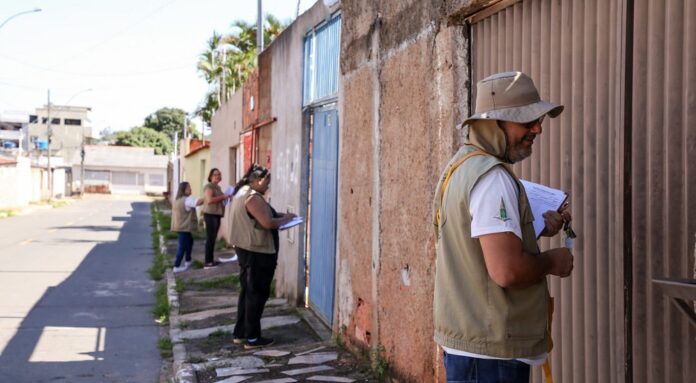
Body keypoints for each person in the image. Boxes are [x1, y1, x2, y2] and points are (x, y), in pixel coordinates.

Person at [432, 71, 574, 383]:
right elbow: (506, 271)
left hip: (471, 348)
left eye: (538, 120)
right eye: (526, 121)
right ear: (492, 124)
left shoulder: (459, 166)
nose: (537, 129)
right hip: (490, 358)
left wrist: (533, 228)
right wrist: (553, 261)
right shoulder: (492, 179)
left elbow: (477, 248)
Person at [229, 164, 295, 349]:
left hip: (246, 250)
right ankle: (252, 338)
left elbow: (260, 216)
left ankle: (241, 333)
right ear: (258, 180)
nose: (268, 186)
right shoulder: (252, 197)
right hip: (257, 252)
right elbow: (267, 222)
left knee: (247, 293)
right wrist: (287, 220)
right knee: (256, 295)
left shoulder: (241, 192)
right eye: (267, 182)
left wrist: (280, 215)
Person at [170, 182, 203, 273]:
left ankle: (188, 261)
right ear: (184, 190)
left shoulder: (177, 200)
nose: (191, 189)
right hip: (184, 227)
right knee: (182, 246)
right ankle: (176, 266)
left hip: (179, 226)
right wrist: (208, 197)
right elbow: (197, 203)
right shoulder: (187, 200)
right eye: (189, 188)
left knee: (189, 242)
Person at [202, 168, 231, 269]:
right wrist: (224, 197)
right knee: (210, 238)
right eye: (215, 175)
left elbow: (220, 199)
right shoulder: (209, 186)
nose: (217, 176)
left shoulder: (217, 187)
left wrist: (227, 197)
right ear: (210, 176)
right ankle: (208, 262)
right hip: (210, 215)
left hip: (216, 215)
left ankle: (210, 260)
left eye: (219, 174)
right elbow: (209, 200)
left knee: (213, 238)